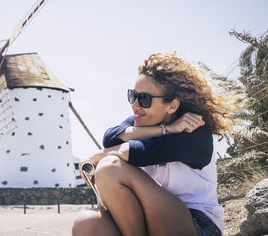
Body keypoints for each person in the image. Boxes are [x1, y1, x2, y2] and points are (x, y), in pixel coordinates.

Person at [72, 53, 232, 236]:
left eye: (144, 99)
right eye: (133, 96)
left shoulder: (195, 130)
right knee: (86, 223)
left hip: (196, 223)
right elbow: (110, 137)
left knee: (109, 167)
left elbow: (143, 152)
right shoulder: (142, 124)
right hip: (143, 222)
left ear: (172, 106)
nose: (135, 105)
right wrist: (167, 129)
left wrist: (97, 157)